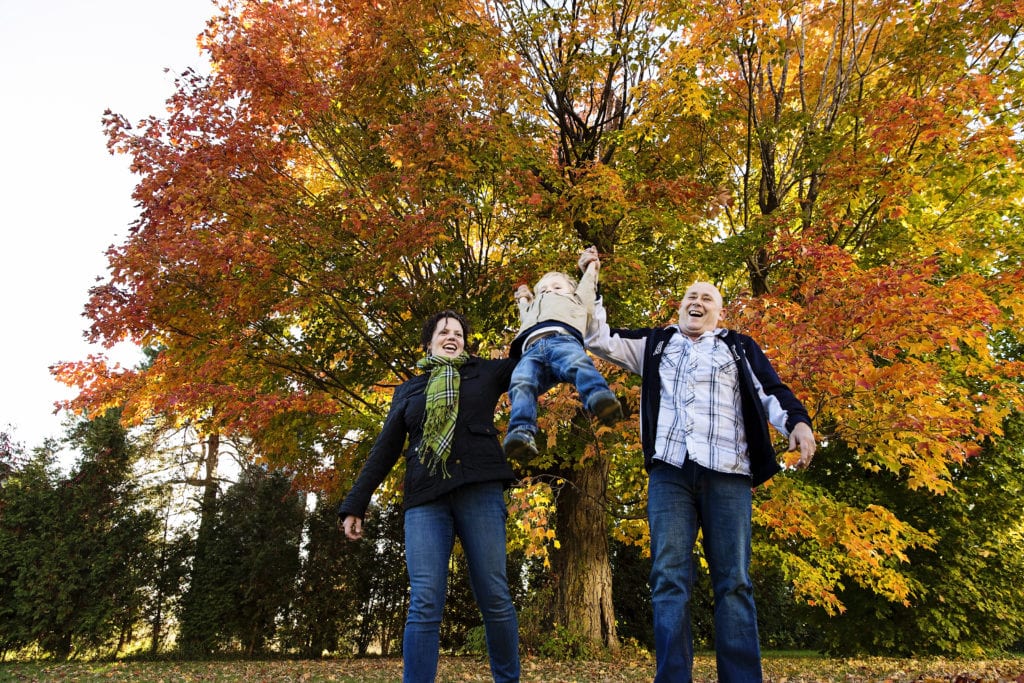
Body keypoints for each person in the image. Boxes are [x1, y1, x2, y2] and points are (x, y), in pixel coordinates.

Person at [581, 251, 816, 683]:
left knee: (735, 581)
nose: (698, 301)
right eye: (691, 295)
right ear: (680, 306)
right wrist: (591, 276)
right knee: (669, 578)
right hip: (670, 474)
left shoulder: (738, 346)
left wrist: (797, 424)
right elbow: (598, 337)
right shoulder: (655, 343)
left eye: (707, 298)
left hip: (728, 472)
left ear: (719, 312)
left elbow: (772, 391)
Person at [338, 310, 520, 683]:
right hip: (425, 496)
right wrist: (356, 502)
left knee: (495, 596)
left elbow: (530, 362)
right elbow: (385, 448)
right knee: (424, 602)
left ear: (465, 342)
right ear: (429, 342)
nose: (451, 336)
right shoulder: (409, 389)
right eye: (443, 332)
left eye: (458, 332)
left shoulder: (486, 372)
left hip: (480, 488)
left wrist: (543, 313)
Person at [503, 257, 623, 460]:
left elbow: (587, 286)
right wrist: (523, 297)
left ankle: (598, 397)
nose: (549, 290)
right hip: (530, 351)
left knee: (578, 363)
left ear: (571, 291)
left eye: (557, 286)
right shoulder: (534, 307)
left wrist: (592, 266)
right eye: (543, 289)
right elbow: (525, 315)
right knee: (520, 383)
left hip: (563, 341)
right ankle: (521, 433)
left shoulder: (577, 299)